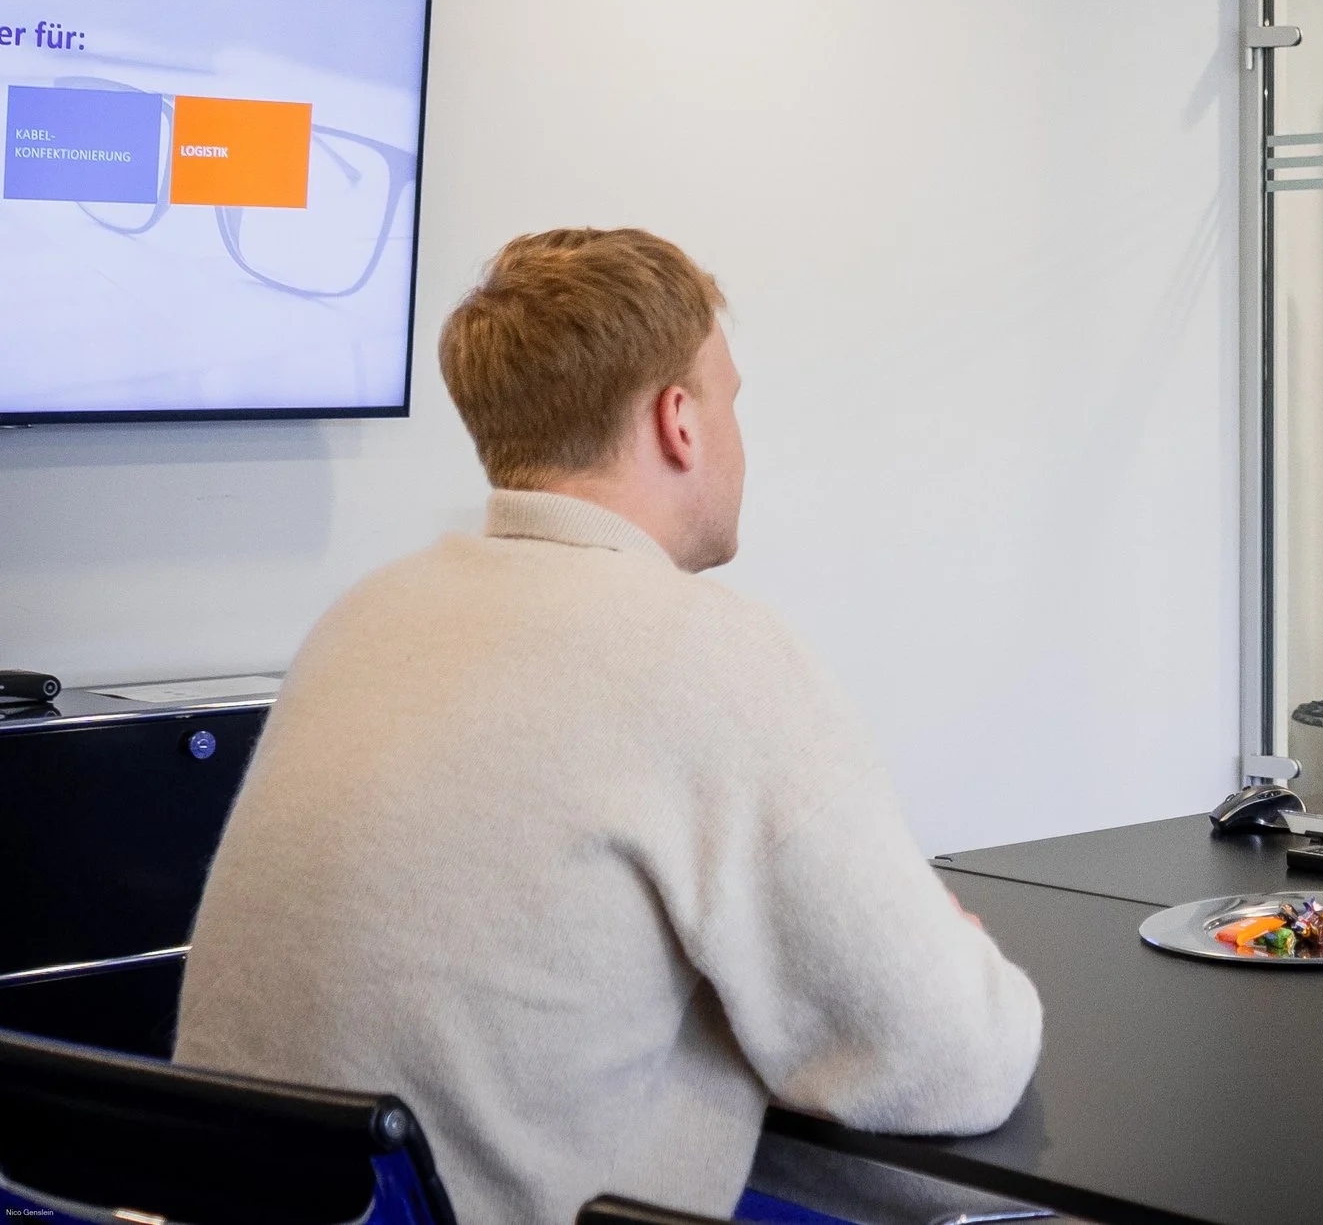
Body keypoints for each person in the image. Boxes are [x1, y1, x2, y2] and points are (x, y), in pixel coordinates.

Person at [178, 229, 1041, 1224]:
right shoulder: (708, 652)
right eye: (731, 400)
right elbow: (952, 1065)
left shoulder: (363, 617)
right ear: (680, 422)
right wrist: (942, 965)